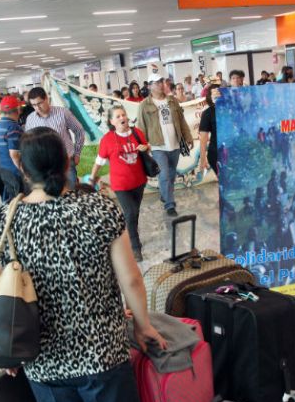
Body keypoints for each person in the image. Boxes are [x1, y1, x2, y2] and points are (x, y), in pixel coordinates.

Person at [0, 127, 167, 402]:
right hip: (103, 352)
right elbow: (131, 279)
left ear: (23, 169)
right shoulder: (100, 209)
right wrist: (143, 325)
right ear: (67, 162)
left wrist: (7, 348)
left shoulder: (3, 222)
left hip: (44, 360)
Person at [89, 105, 149, 262]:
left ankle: (130, 233)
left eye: (123, 114)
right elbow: (99, 161)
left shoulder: (137, 133)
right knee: (130, 212)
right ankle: (135, 247)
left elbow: (147, 148)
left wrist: (146, 148)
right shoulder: (107, 139)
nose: (122, 118)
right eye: (118, 116)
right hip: (120, 185)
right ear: (111, 121)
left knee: (134, 212)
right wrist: (92, 178)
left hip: (139, 181)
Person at [136, 72, 193, 217]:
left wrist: (188, 136)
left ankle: (165, 194)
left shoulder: (172, 101)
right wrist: (143, 146)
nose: (161, 84)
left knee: (172, 174)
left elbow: (181, 120)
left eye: (162, 81)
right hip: (157, 146)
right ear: (150, 86)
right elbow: (141, 127)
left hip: (175, 144)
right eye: (157, 82)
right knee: (165, 174)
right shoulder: (144, 105)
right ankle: (170, 205)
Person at [25, 87, 85, 190]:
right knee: (51, 194)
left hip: (65, 161)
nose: (37, 108)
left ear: (46, 99)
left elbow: (79, 131)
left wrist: (77, 153)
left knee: (71, 191)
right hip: (44, 165)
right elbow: (30, 143)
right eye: (34, 105)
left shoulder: (63, 113)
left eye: (39, 103)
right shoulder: (30, 119)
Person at [0, 95, 26, 202]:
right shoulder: (13, 127)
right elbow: (14, 154)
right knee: (21, 201)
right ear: (18, 109)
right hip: (15, 171)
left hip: (4, 169)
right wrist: (24, 171)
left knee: (12, 200)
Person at [199, 83, 221, 175]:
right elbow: (203, 138)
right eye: (214, 94)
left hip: (233, 151)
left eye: (218, 93)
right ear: (210, 97)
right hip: (216, 153)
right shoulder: (207, 113)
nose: (217, 96)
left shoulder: (230, 110)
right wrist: (203, 159)